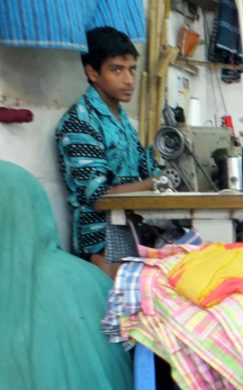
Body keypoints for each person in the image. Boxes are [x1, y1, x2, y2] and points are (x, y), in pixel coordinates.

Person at [56, 26, 161, 278]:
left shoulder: (123, 122)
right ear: (92, 72)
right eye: (117, 70)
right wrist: (155, 183)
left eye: (132, 69)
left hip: (131, 229)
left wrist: (163, 179)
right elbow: (99, 196)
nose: (129, 80)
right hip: (102, 242)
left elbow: (150, 170)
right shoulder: (80, 123)